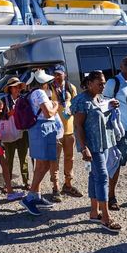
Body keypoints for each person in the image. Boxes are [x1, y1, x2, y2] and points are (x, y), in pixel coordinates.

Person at [72, 70, 122, 232]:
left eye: (104, 83)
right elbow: (78, 126)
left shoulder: (100, 98)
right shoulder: (81, 101)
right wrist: (83, 147)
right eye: (100, 83)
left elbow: (101, 118)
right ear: (89, 83)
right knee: (102, 177)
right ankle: (106, 217)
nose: (103, 86)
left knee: (95, 176)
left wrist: (111, 107)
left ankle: (94, 212)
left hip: (104, 142)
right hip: (92, 146)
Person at [20, 69, 62, 216]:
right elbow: (49, 113)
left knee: (41, 164)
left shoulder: (33, 93)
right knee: (44, 163)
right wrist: (56, 105)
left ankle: (35, 195)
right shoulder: (40, 93)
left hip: (38, 128)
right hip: (43, 128)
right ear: (43, 82)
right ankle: (31, 195)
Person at [104, 56, 127, 210]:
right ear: (121, 66)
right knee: (116, 164)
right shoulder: (114, 82)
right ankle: (111, 197)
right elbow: (104, 103)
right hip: (121, 131)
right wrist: (111, 104)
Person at [49, 65, 81, 201]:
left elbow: (76, 105)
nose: (56, 77)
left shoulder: (71, 88)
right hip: (55, 130)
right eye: (54, 74)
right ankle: (55, 187)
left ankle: (68, 184)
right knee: (55, 159)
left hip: (69, 129)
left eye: (59, 74)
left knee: (70, 158)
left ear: (64, 74)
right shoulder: (49, 88)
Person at [0, 77, 30, 190]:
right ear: (10, 89)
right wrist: (9, 114)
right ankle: (7, 183)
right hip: (9, 133)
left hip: (22, 132)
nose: (18, 89)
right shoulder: (3, 101)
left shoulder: (23, 99)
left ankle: (26, 181)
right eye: (15, 87)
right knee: (9, 160)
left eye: (19, 87)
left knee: (24, 158)